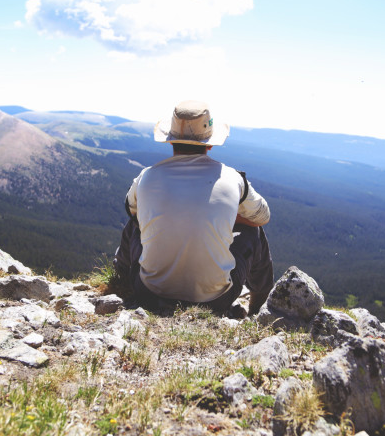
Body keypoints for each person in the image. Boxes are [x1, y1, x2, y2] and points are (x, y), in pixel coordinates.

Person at [113, 100, 274, 316]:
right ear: (210, 143)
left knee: (135, 223)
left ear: (171, 141)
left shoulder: (146, 176)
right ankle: (260, 306)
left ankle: (121, 281)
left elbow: (131, 210)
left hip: (148, 292)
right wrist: (225, 215)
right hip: (216, 300)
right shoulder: (233, 179)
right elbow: (262, 217)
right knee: (254, 232)